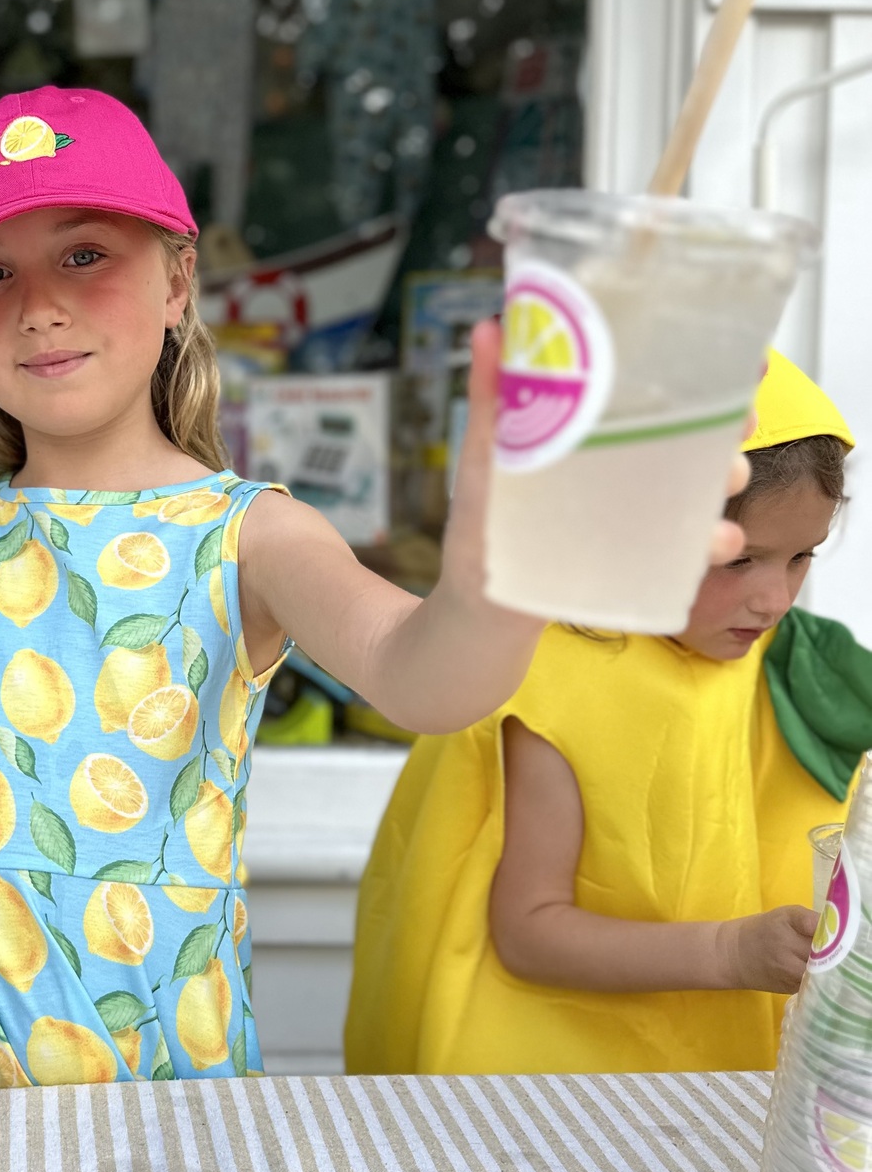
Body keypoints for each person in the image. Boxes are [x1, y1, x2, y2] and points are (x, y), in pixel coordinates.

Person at [0, 83, 575, 1133]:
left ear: (178, 282)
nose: (39, 302)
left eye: (84, 252)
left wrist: (511, 553)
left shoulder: (251, 534)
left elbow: (425, 673)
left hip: (167, 1116)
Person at [344, 350, 872, 1078]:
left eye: (800, 558)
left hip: (697, 1076)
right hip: (550, 1086)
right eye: (739, 561)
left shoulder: (748, 654)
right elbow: (529, 930)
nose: (775, 600)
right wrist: (728, 951)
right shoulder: (560, 678)